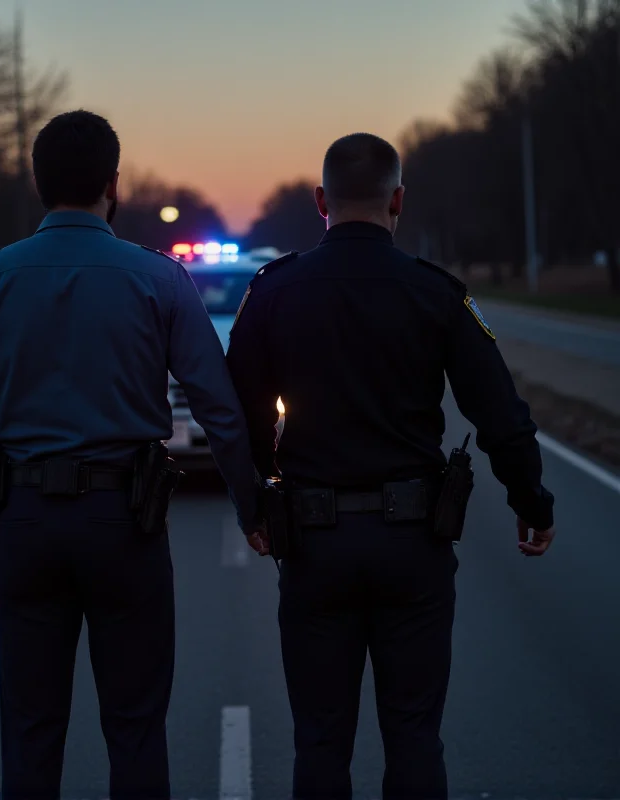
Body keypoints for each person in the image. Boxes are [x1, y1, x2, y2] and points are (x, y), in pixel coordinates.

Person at [0, 109, 266, 800]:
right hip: (125, 523)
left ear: (37, 181)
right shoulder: (161, 281)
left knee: (30, 728)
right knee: (136, 726)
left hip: (25, 523)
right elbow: (220, 406)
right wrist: (253, 505)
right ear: (114, 183)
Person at [226, 132, 556, 800]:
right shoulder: (436, 293)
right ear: (398, 199)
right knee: (412, 735)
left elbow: (240, 418)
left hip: (314, 546)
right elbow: (501, 416)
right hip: (413, 546)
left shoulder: (274, 292)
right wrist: (532, 501)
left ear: (322, 201)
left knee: (319, 739)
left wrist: (255, 502)